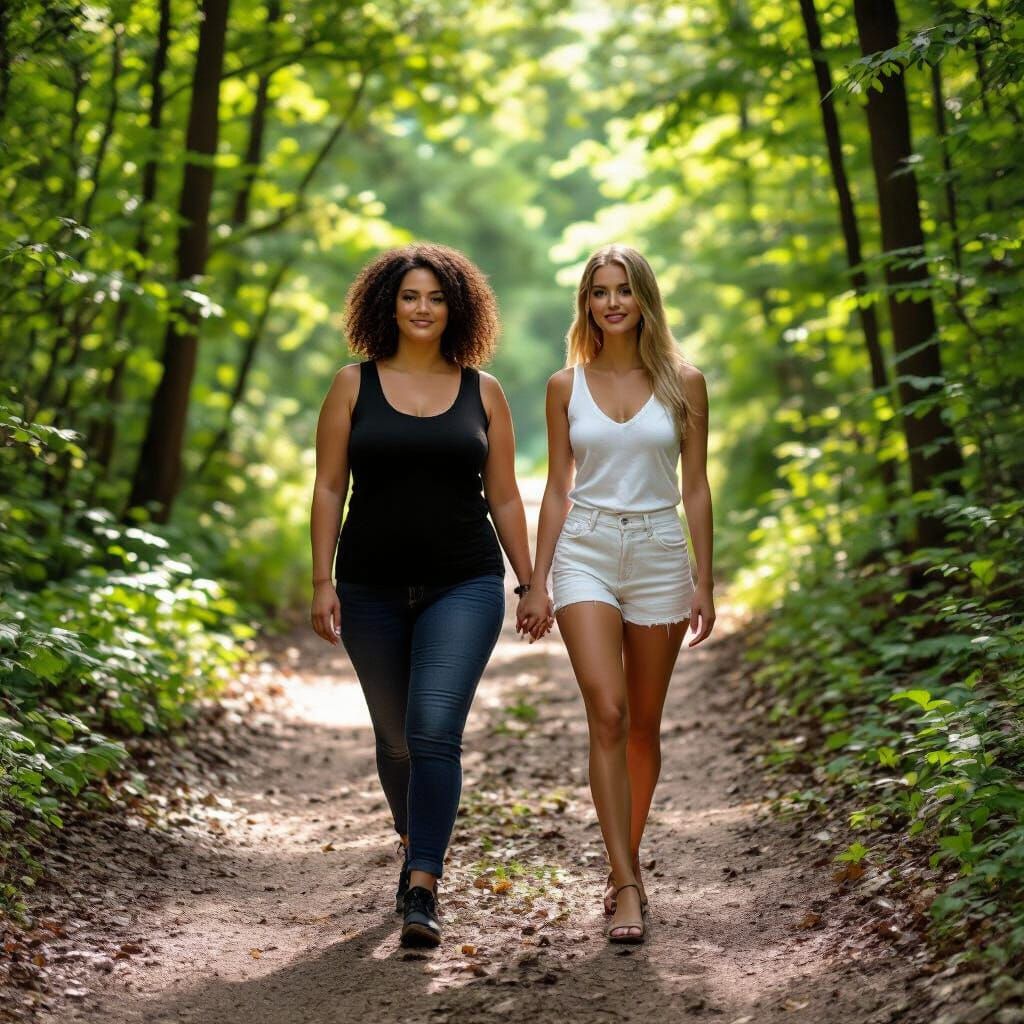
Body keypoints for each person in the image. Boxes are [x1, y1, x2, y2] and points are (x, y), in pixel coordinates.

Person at [309, 242, 549, 948]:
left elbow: (503, 495)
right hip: (369, 585)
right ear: (388, 305)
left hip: (464, 580)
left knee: (433, 728)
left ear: (458, 308)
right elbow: (329, 486)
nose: (422, 308)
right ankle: (415, 834)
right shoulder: (352, 386)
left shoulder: (486, 391)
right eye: (410, 296)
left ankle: (423, 883)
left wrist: (529, 581)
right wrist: (321, 579)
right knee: (395, 739)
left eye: (436, 297)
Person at [518, 244, 715, 943]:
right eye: (599, 291)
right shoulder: (562, 386)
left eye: (624, 289)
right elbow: (557, 488)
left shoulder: (684, 384)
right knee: (606, 709)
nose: (611, 302)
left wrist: (704, 579)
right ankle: (627, 881)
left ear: (644, 299)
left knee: (641, 725)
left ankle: (619, 865)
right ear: (586, 304)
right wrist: (538, 581)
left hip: (661, 552)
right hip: (586, 552)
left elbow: (694, 486)